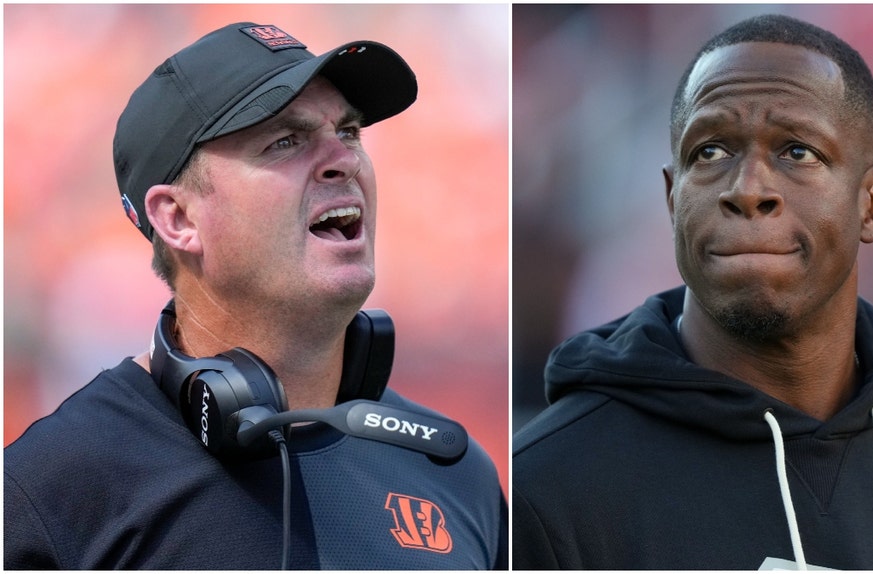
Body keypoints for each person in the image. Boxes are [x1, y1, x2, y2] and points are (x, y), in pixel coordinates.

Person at [512, 14, 873, 570]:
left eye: (798, 152)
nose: (748, 190)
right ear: (673, 198)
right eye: (710, 152)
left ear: (871, 202)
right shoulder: (548, 489)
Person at [5, 22, 507, 570]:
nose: (345, 160)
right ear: (178, 218)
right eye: (285, 141)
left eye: (350, 132)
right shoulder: (47, 491)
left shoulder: (456, 472)